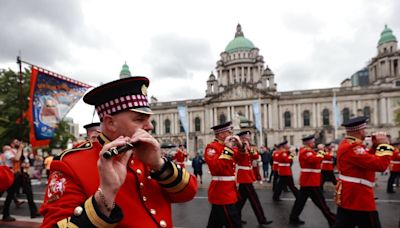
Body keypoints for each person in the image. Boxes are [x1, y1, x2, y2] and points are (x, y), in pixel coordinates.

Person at [40, 76, 197, 227]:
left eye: (149, 119)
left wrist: (160, 165)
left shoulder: (147, 153)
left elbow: (187, 193)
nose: (150, 126)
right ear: (110, 122)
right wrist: (105, 196)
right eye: (139, 119)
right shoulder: (71, 163)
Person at [334, 116, 394, 228]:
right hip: (359, 197)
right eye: (364, 130)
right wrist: (385, 145)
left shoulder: (349, 144)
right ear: (360, 130)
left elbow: (365, 160)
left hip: (350, 195)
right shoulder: (352, 147)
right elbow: (380, 165)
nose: (365, 132)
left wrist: (376, 146)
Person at [289, 135, 336, 226]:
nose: (314, 144)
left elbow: (325, 157)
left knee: (300, 201)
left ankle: (293, 217)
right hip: (310, 181)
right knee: (321, 202)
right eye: (313, 142)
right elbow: (315, 160)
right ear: (308, 143)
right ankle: (332, 219)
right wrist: (321, 151)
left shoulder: (309, 151)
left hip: (309, 180)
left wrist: (324, 152)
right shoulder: (306, 151)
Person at [204, 121, 242, 228]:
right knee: (234, 222)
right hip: (222, 191)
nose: (231, 135)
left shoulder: (228, 147)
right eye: (228, 132)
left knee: (215, 223)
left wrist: (241, 147)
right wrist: (228, 149)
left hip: (228, 189)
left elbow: (241, 159)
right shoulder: (212, 147)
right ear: (221, 134)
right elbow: (216, 168)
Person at [235, 131, 272, 226]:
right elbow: (239, 157)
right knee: (254, 199)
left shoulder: (249, 148)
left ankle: (235, 217)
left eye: (248, 137)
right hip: (244, 176)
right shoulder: (237, 148)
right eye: (247, 138)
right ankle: (261, 219)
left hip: (248, 175)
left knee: (241, 201)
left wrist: (249, 148)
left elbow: (255, 156)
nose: (249, 139)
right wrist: (243, 147)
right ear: (242, 139)